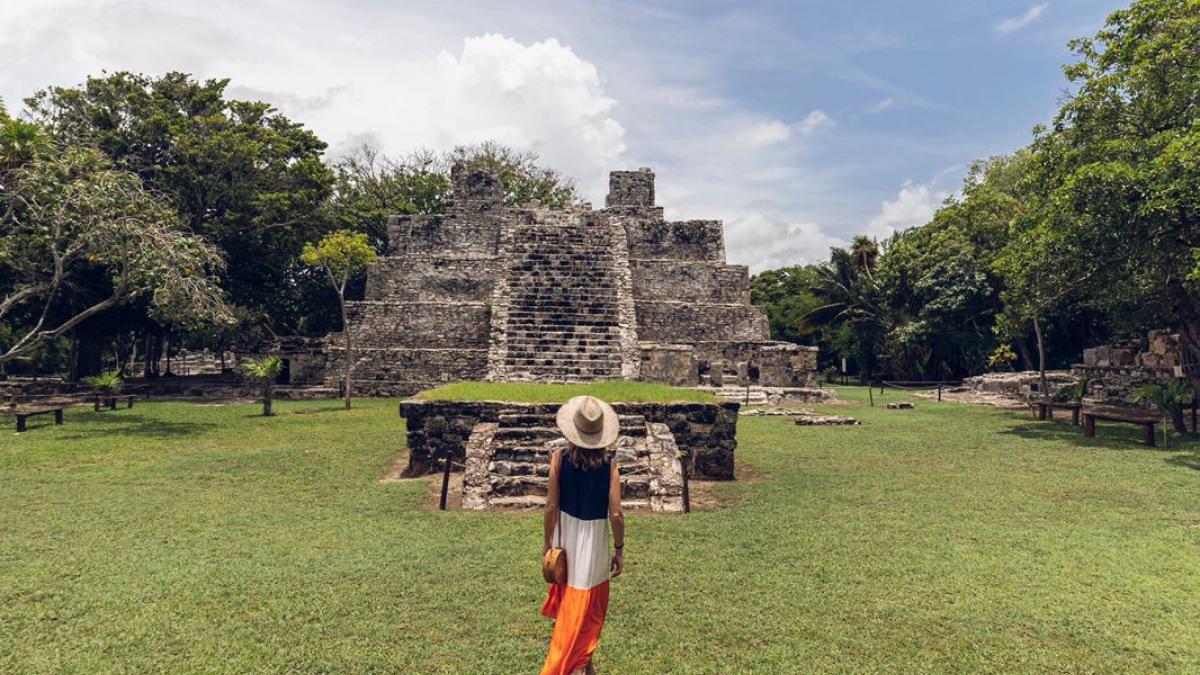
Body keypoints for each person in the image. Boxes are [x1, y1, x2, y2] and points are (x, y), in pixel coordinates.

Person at [540, 395, 625, 675]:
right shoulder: (610, 465)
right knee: (586, 613)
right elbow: (616, 514)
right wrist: (619, 548)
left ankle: (585, 667)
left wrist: (546, 542)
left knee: (570, 608)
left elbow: (551, 506)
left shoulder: (558, 460)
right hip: (595, 549)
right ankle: (573, 666)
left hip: (565, 545)